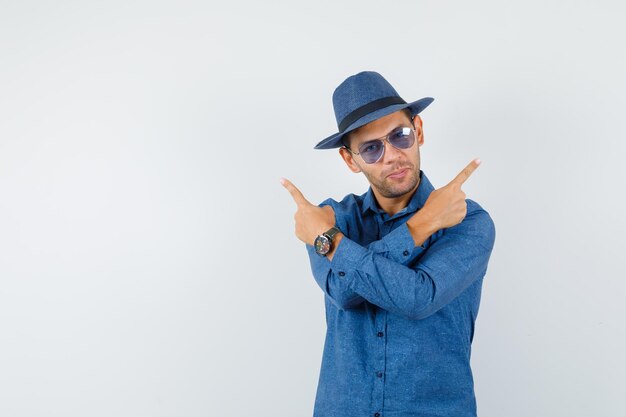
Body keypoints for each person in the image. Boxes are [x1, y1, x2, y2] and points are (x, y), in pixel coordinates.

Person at [281, 71, 496, 417]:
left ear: (420, 131)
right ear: (351, 160)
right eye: (371, 148)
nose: (393, 155)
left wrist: (332, 244)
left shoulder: (468, 221)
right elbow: (345, 293)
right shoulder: (333, 219)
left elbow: (417, 296)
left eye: (400, 135)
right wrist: (421, 226)